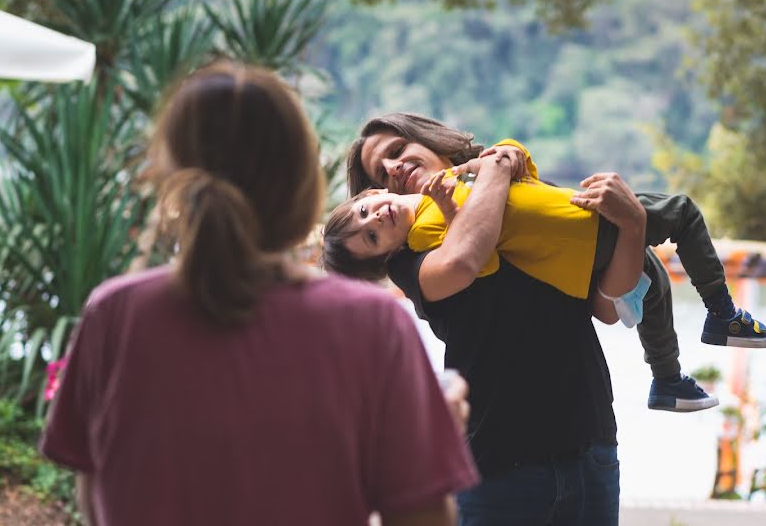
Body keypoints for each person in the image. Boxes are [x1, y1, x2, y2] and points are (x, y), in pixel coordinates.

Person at [39, 64, 478, 526]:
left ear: (167, 174)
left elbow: (94, 492)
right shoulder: (372, 325)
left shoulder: (115, 314)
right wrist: (437, 434)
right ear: (303, 184)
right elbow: (419, 518)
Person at [342, 112, 654, 526]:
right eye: (380, 175)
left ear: (431, 141)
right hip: (499, 466)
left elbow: (607, 308)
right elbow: (465, 258)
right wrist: (499, 165)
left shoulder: (525, 194)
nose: (394, 169)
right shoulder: (410, 254)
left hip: (589, 443)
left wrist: (633, 226)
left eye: (397, 151)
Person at [324, 137, 766, 411]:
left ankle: (667, 379)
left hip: (585, 218)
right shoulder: (425, 238)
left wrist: (501, 156)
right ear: (384, 256)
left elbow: (523, 171)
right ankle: (722, 314)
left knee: (656, 281)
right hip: (584, 240)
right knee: (681, 211)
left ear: (371, 195)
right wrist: (463, 198)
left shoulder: (453, 184)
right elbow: (478, 260)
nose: (374, 219)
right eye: (369, 237)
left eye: (364, 211)